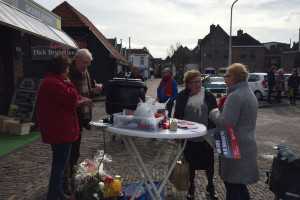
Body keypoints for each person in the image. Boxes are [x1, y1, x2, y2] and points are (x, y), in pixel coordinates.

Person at [209, 63, 259, 200]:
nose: (224, 79)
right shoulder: (249, 93)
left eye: (226, 76)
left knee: (232, 186)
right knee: (239, 185)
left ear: (234, 77)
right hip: (246, 145)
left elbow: (226, 123)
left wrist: (213, 112)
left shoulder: (235, 96)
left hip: (235, 148)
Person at [37, 54, 79, 200]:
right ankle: (53, 196)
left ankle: (59, 193)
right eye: (67, 68)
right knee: (59, 168)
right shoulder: (55, 83)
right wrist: (68, 82)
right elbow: (72, 98)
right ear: (61, 69)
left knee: (59, 165)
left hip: (57, 129)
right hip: (60, 131)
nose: (68, 71)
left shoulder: (50, 81)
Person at [174, 70, 218, 200]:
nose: (198, 84)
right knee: (190, 165)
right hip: (189, 138)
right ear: (187, 84)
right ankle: (191, 188)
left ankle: (210, 186)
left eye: (199, 81)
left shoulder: (209, 96)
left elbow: (215, 116)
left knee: (209, 165)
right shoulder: (182, 96)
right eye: (195, 82)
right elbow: (177, 115)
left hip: (206, 137)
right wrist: (175, 133)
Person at [63, 49, 102, 193]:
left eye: (88, 63)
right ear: (76, 59)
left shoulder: (85, 72)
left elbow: (87, 92)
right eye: (83, 62)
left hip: (81, 115)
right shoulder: (67, 71)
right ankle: (65, 181)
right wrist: (83, 99)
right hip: (70, 114)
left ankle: (72, 177)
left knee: (76, 150)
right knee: (68, 150)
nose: (85, 65)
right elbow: (70, 93)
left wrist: (95, 91)